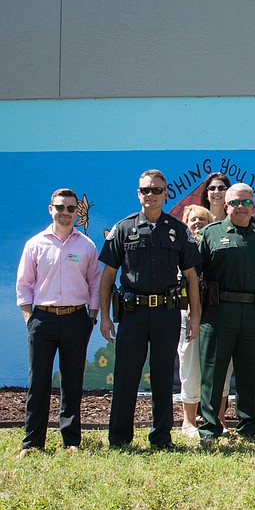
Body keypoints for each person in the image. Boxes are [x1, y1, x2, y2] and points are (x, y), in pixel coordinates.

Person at [98, 169, 202, 449]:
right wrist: (105, 317)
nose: (151, 195)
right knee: (125, 376)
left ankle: (161, 436)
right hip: (132, 312)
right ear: (138, 193)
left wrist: (195, 316)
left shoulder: (177, 230)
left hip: (166, 313)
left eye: (157, 190)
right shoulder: (123, 229)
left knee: (163, 375)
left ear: (166, 193)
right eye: (146, 190)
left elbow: (192, 276)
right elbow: (107, 276)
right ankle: (119, 438)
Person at [16, 188, 101, 458]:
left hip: (77, 319)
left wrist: (92, 316)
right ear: (50, 209)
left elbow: (95, 284)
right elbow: (24, 285)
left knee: (72, 381)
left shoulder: (86, 245)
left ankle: (71, 441)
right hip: (42, 319)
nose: (65, 213)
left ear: (78, 212)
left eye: (71, 209)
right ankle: (32, 443)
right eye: (60, 208)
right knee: (38, 381)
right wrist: (30, 319)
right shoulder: (35, 244)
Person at [196, 183, 255, 443]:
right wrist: (195, 312)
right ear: (226, 206)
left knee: (248, 373)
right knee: (213, 371)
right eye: (235, 202)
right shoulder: (210, 235)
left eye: (246, 202)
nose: (241, 207)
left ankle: (248, 424)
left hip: (254, 313)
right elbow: (194, 276)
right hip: (218, 313)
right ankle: (210, 427)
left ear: (253, 206)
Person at [176, 205, 230, 438]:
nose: (197, 223)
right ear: (185, 224)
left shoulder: (218, 246)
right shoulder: (180, 249)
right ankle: (188, 421)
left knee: (222, 368)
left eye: (202, 220)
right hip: (188, 315)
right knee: (190, 366)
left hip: (218, 315)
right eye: (192, 220)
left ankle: (218, 419)